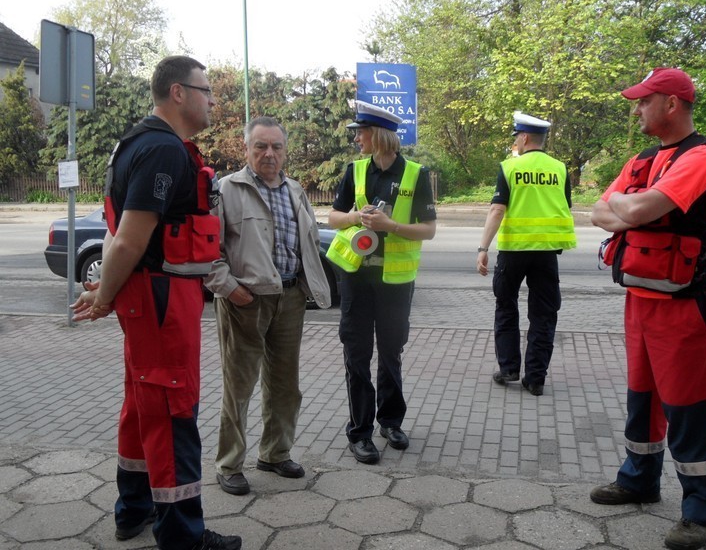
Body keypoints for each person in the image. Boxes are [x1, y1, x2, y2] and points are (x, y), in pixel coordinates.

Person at [70, 56, 241, 550]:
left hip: (152, 294)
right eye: (205, 90)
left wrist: (109, 295)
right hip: (163, 296)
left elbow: (118, 235)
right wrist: (103, 296)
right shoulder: (164, 151)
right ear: (178, 93)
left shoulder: (136, 143)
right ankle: (183, 535)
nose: (212, 99)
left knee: (143, 403)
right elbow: (126, 240)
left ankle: (134, 510)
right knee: (172, 406)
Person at [589, 68, 706, 550]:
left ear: (671, 104)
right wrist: (629, 205)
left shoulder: (702, 157)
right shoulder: (644, 157)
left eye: (644, 101)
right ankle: (638, 480)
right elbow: (600, 210)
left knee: (690, 405)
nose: (636, 108)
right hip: (639, 298)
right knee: (642, 397)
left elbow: (636, 212)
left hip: (686, 303)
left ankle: (700, 512)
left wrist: (628, 206)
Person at [204, 116, 331, 495]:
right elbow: (209, 250)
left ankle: (275, 453)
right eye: (260, 146)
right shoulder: (227, 190)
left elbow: (306, 242)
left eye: (276, 146)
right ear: (246, 149)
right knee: (239, 386)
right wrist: (229, 288)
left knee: (285, 385)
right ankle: (229, 464)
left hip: (290, 298)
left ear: (285, 150)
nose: (269, 153)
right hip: (246, 301)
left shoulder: (295, 190)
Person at [327, 100, 437, 464]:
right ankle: (359, 432)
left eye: (361, 132)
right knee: (356, 353)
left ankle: (390, 422)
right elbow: (332, 218)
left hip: (396, 280)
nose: (357, 138)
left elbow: (429, 230)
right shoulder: (354, 170)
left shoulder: (416, 174)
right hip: (356, 278)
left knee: (391, 352)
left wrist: (392, 228)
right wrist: (356, 216)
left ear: (377, 135)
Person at [476, 112, 576, 396]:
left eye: (517, 137)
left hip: (514, 251)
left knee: (506, 307)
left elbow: (497, 209)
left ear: (525, 137)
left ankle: (509, 368)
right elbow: (564, 206)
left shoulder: (509, 168)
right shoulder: (559, 168)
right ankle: (535, 378)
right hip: (546, 253)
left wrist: (483, 248)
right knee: (544, 315)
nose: (516, 142)